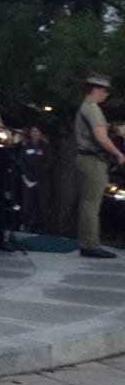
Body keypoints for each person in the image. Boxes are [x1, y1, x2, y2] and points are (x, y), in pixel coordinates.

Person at [74, 75, 125, 258]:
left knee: (88, 203)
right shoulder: (92, 109)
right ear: (96, 89)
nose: (106, 95)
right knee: (91, 204)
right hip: (93, 160)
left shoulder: (86, 108)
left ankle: (87, 241)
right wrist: (118, 154)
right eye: (105, 91)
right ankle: (91, 244)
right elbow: (101, 137)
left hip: (86, 159)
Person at [19, 124, 54, 233]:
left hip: (42, 180)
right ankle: (28, 226)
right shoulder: (25, 147)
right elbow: (22, 162)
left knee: (42, 205)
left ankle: (42, 228)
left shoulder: (45, 147)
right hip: (29, 180)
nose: (35, 133)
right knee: (29, 204)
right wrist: (28, 174)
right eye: (33, 131)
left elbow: (48, 162)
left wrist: (38, 174)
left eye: (37, 131)